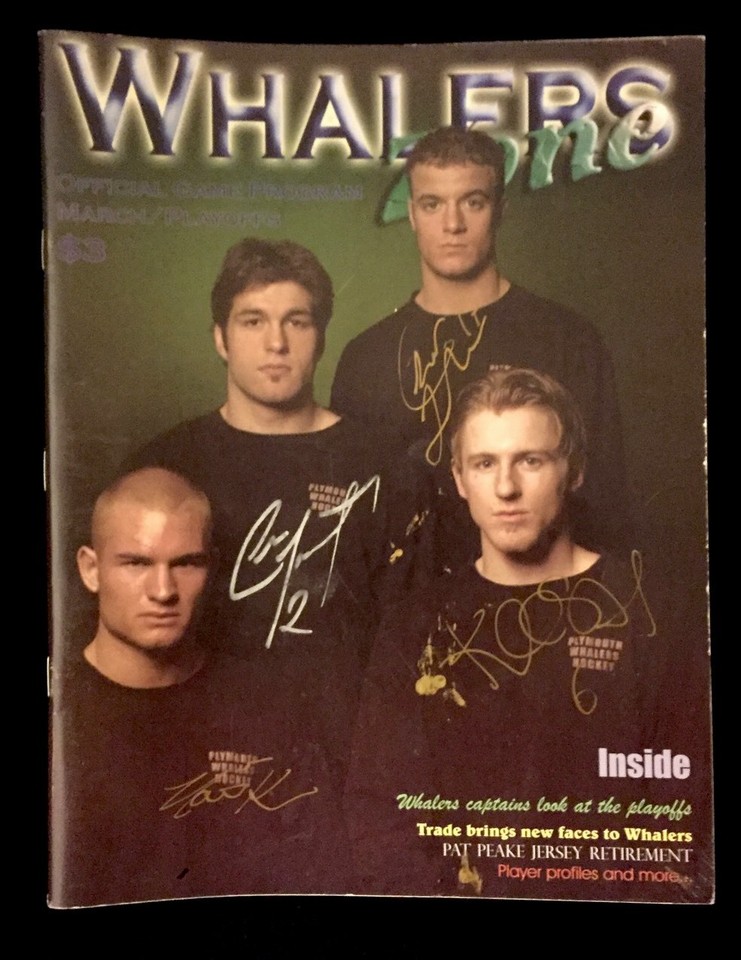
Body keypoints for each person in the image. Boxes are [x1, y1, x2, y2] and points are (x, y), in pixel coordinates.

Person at [344, 370, 666, 900]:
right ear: (459, 478)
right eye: (484, 463)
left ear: (574, 470)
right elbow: (380, 814)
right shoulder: (413, 625)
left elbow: (684, 817)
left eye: (530, 460)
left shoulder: (649, 613)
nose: (506, 488)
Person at [126, 239, 430, 782]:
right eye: (253, 321)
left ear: (321, 337)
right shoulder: (163, 466)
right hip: (193, 760)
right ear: (220, 338)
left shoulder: (385, 466)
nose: (276, 343)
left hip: (345, 764)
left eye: (296, 321)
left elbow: (413, 644)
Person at [50, 467, 351, 907]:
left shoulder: (268, 706)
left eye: (186, 563)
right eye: (136, 563)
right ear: (90, 569)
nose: (163, 591)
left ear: (212, 567)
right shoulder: (61, 710)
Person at [331, 126, 631, 564]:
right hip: (407, 602)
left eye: (473, 202)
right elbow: (348, 531)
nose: (453, 225)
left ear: (500, 210)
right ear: (412, 214)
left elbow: (607, 512)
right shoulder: (365, 359)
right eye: (432, 204)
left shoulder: (568, 339)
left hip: (540, 597)